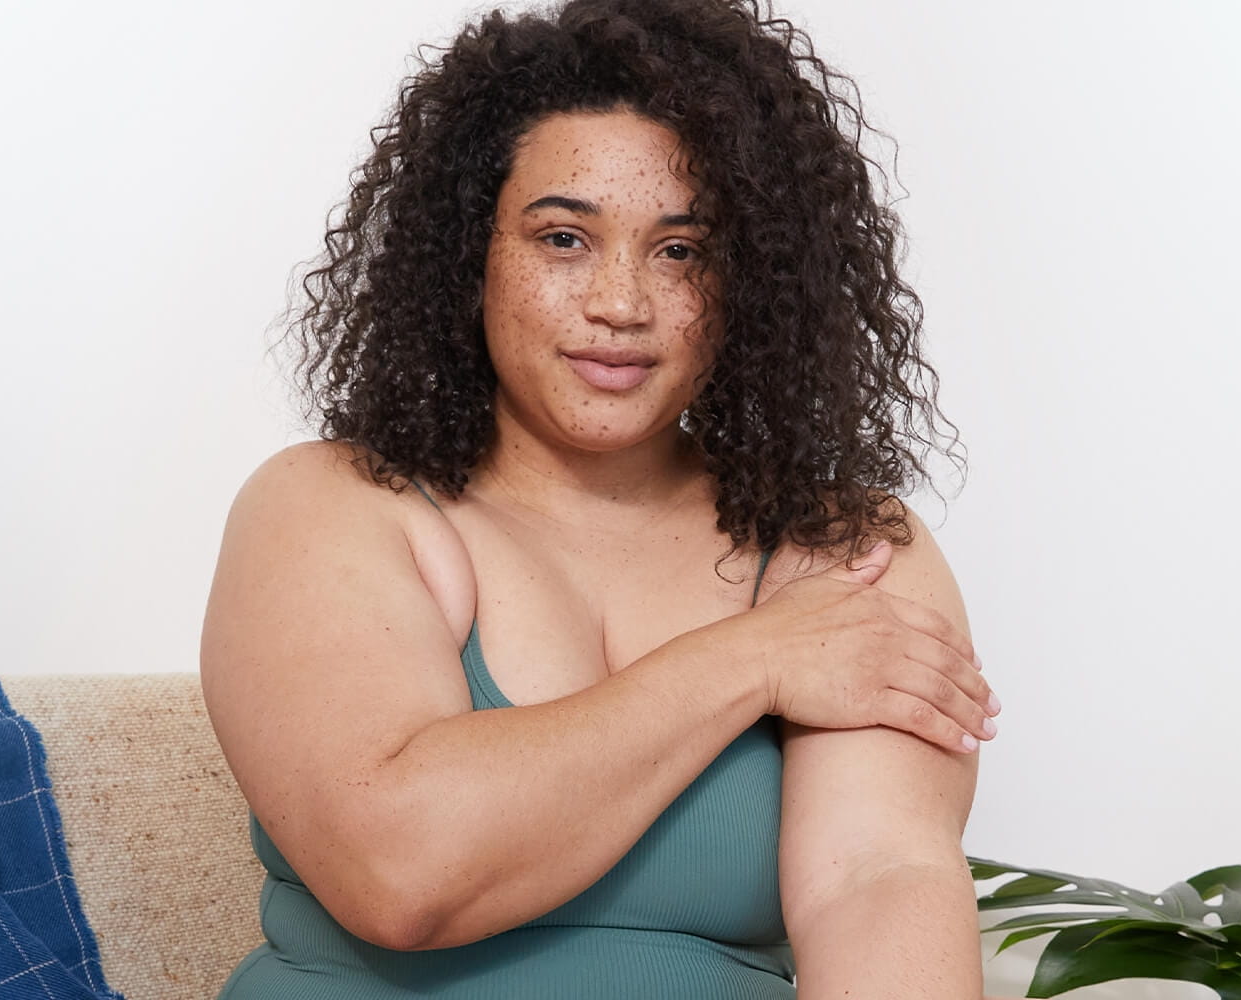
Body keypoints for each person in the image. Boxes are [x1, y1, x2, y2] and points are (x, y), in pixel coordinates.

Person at [197, 1, 1007, 996]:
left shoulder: (842, 555)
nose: (620, 304)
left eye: (681, 252)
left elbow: (878, 889)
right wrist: (756, 658)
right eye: (563, 239)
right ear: (470, 255)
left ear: (749, 280)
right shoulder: (331, 507)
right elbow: (403, 874)